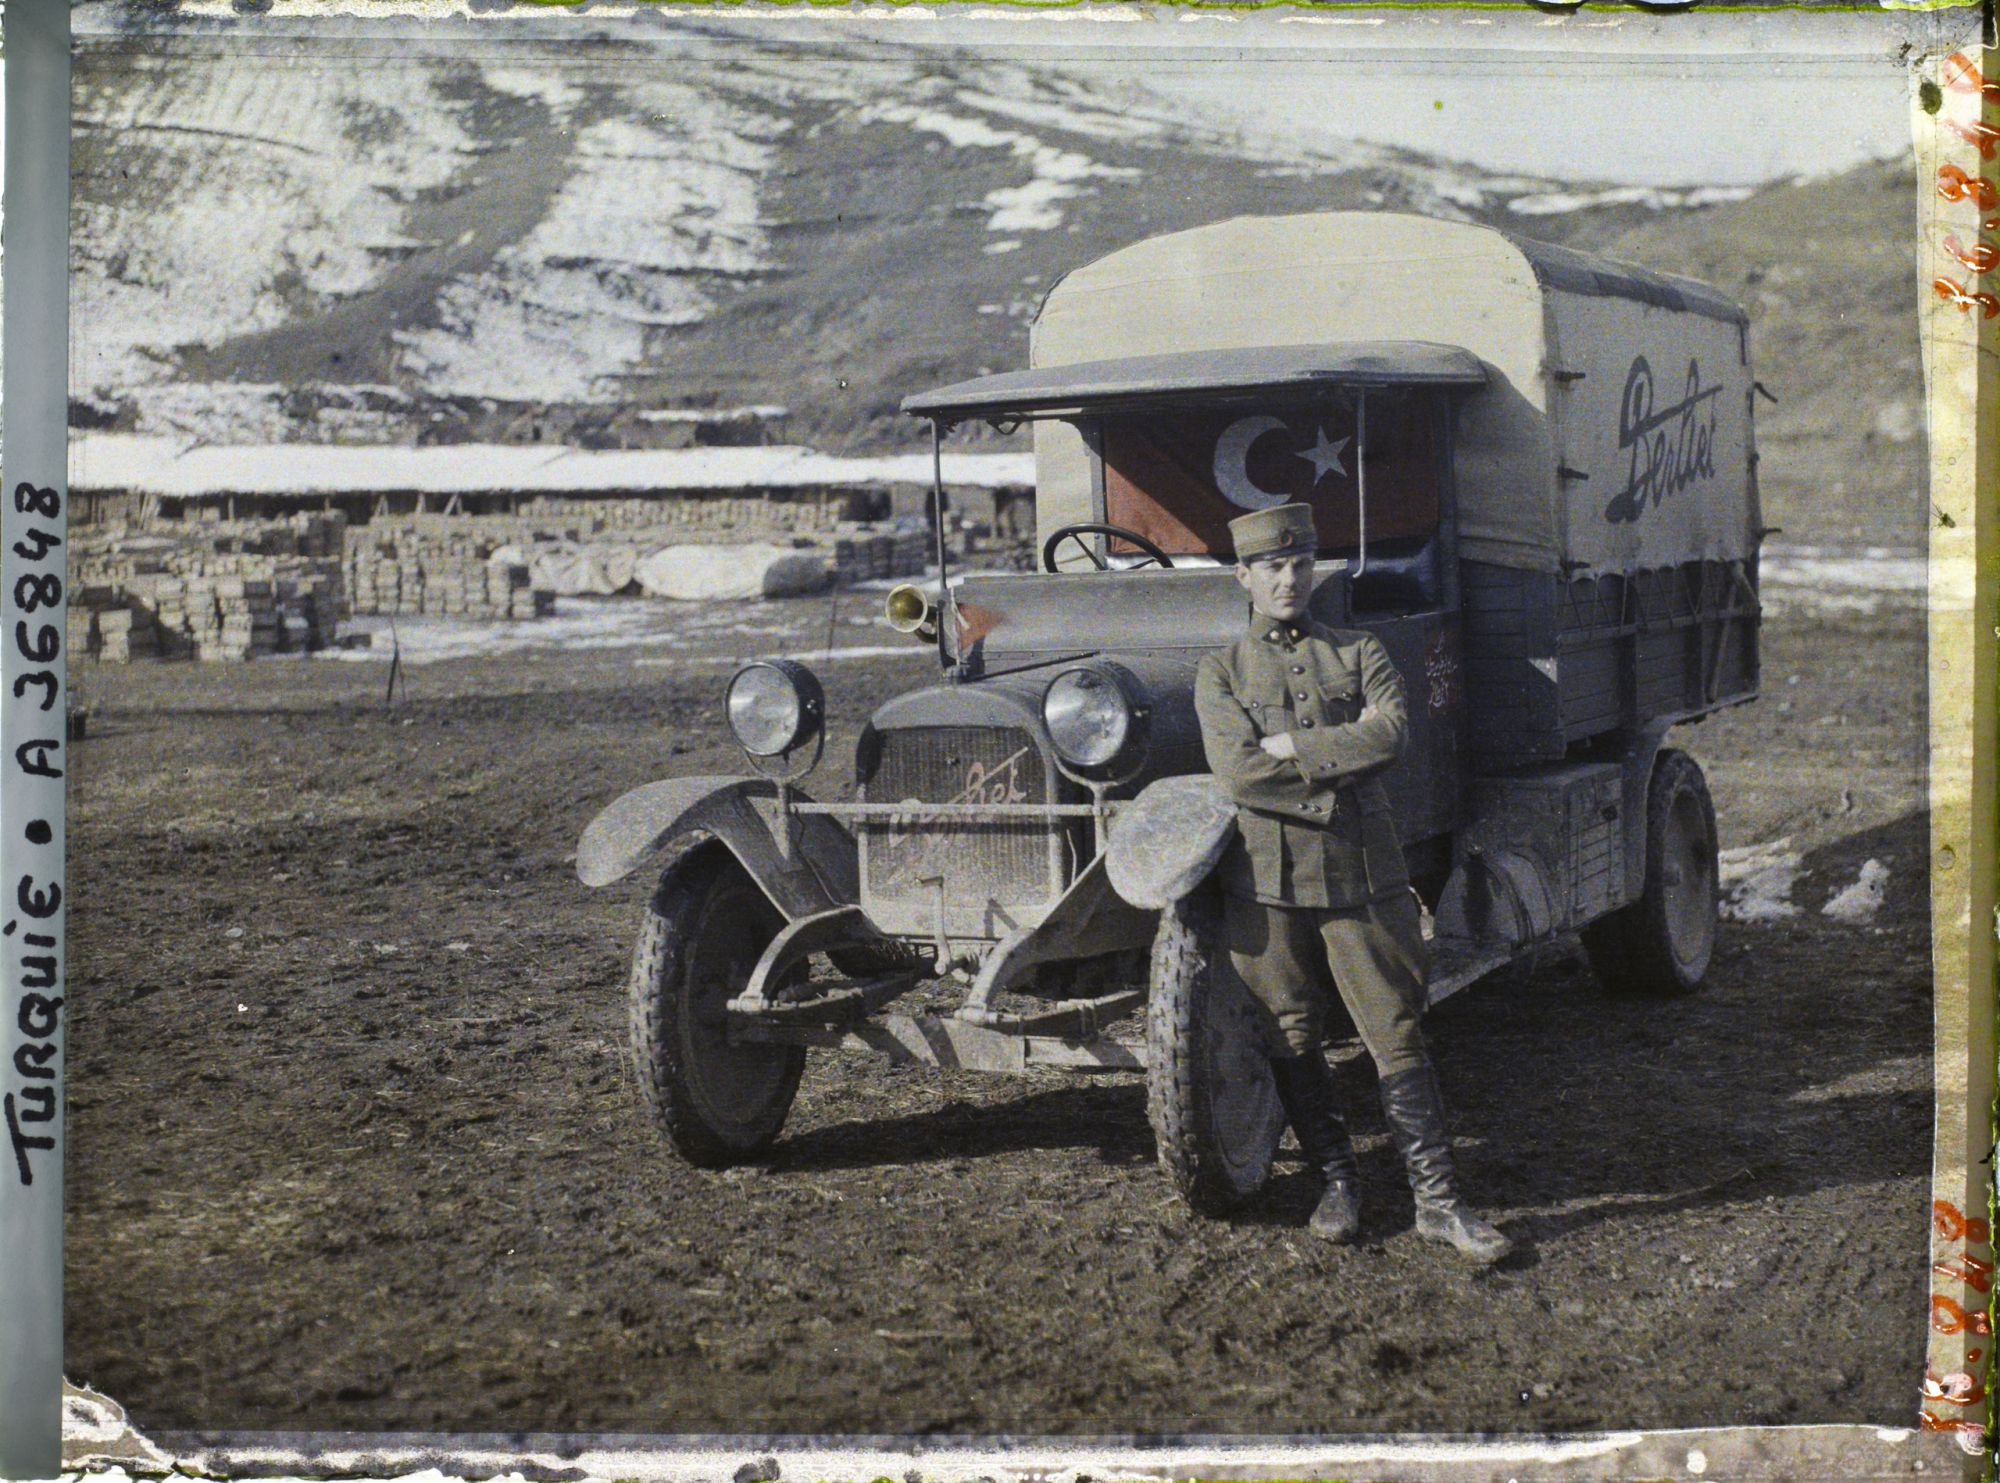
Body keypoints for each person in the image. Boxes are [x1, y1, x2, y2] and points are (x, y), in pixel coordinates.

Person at [1191, 501, 1511, 1263]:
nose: (1289, 578)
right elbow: (1236, 768)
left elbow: (1393, 732)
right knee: (1291, 1033)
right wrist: (1339, 757)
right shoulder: (1221, 671)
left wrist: (1291, 747)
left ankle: (1438, 1202)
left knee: (1394, 1031)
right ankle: (1339, 1181)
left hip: (1363, 875)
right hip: (1267, 885)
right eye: (1272, 565)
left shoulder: (1361, 650)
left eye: (1300, 563)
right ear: (1245, 576)